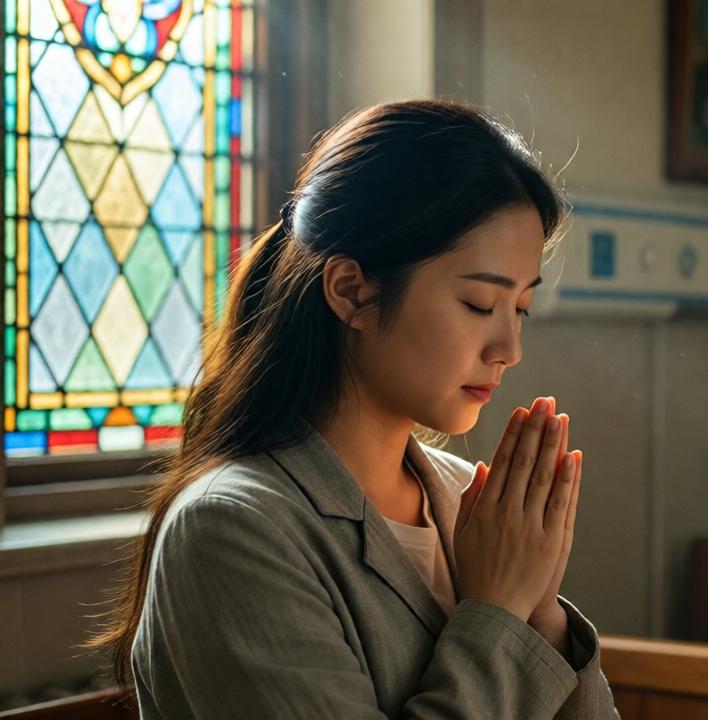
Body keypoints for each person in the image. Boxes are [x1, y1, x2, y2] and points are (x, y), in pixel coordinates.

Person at [88, 100, 618, 718]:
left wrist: (540, 610)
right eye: (479, 304)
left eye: (520, 309)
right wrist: (499, 612)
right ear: (351, 291)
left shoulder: (470, 501)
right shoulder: (231, 529)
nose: (509, 349)